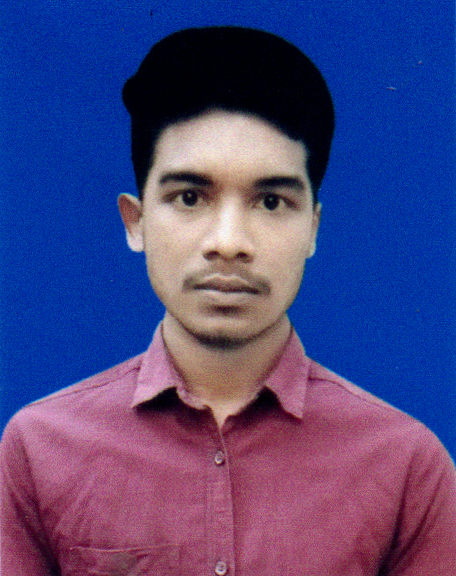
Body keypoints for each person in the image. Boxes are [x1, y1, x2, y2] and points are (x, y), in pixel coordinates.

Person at [1, 26, 455, 576]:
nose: (229, 242)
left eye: (271, 202)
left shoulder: (407, 466)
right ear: (136, 221)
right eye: (190, 197)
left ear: (313, 228)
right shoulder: (37, 450)